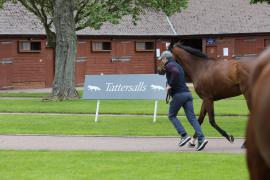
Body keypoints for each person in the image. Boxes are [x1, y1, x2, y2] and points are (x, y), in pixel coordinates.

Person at [158, 50, 208, 151]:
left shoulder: (169, 65)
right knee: (192, 118)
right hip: (188, 94)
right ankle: (201, 138)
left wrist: (169, 85)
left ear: (165, 58)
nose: (162, 62)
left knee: (171, 116)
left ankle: (184, 135)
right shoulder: (178, 65)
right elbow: (174, 73)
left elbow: (175, 73)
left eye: (162, 60)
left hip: (179, 95)